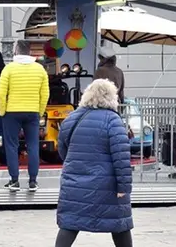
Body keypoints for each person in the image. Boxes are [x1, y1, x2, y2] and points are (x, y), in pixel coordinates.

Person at [55, 79, 133, 247]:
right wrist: (123, 187)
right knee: (120, 225)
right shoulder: (113, 120)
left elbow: (62, 149)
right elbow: (122, 158)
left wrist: (75, 164)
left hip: (74, 182)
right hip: (107, 184)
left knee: (69, 223)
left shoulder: (72, 118)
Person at [0, 39, 49, 192]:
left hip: (11, 112)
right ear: (29, 52)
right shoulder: (39, 69)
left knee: (12, 146)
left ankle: (14, 180)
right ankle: (33, 181)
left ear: (16, 51)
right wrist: (39, 111)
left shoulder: (9, 69)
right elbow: (45, 94)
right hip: (32, 111)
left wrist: (2, 111)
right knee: (33, 145)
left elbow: (0, 93)